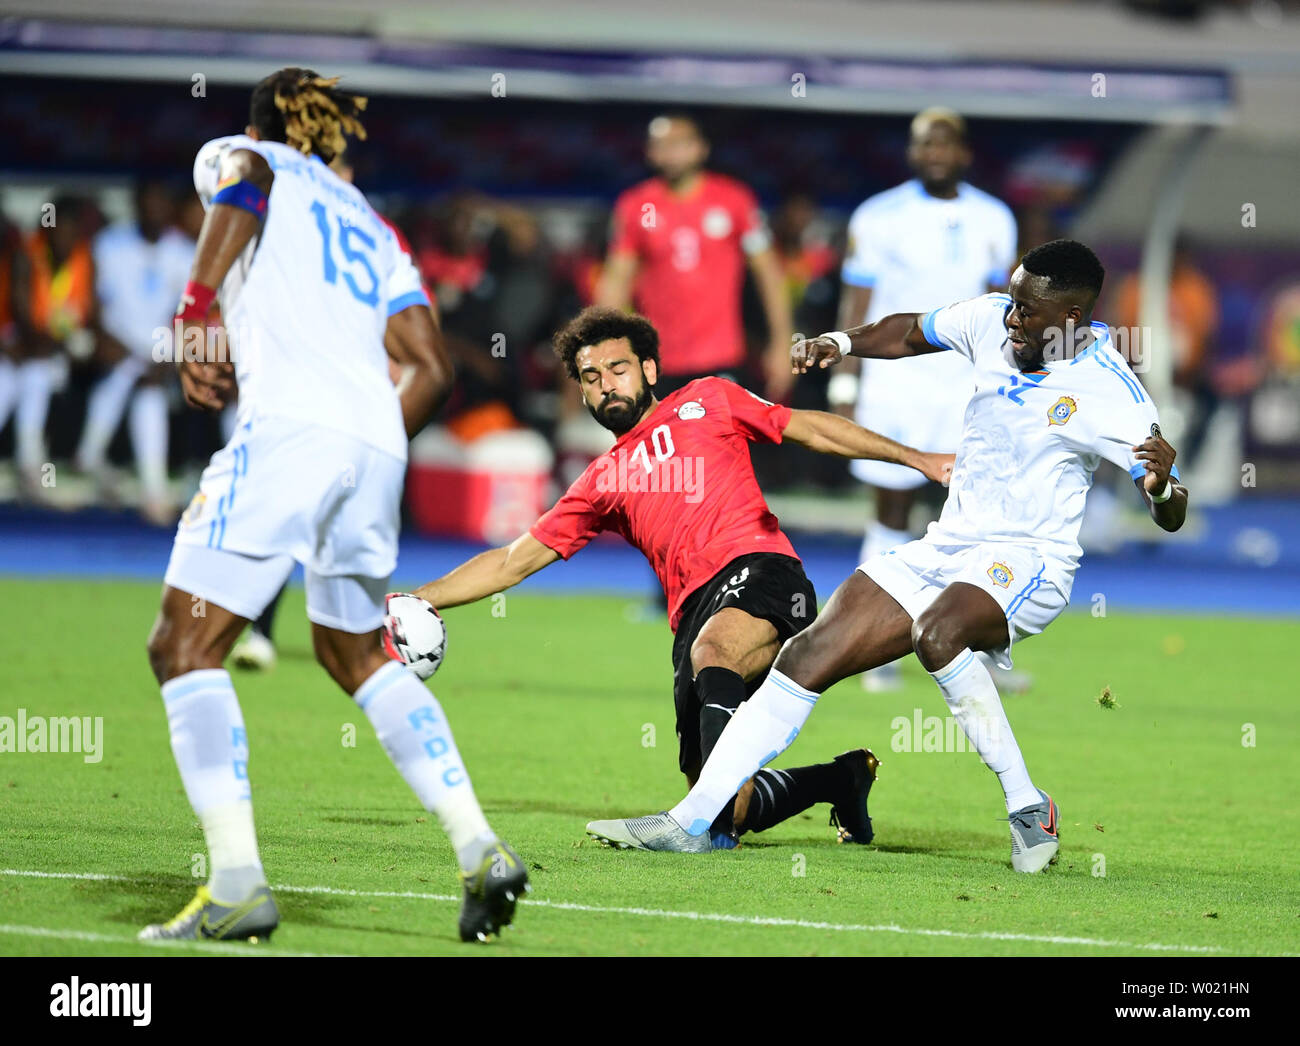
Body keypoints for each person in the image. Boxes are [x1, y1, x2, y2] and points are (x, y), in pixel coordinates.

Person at [587, 240, 1189, 874]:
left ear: (1073, 319)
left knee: (939, 633)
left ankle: (1027, 806)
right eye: (1013, 302)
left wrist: (1162, 489)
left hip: (1031, 560)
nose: (1012, 319)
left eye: (1028, 312)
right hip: (950, 543)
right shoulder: (993, 319)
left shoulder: (1112, 392)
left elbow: (1168, 509)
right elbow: (910, 332)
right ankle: (693, 821)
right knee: (808, 654)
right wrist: (841, 344)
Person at [141, 67, 525, 945]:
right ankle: (480, 848)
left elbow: (244, 183)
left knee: (183, 644)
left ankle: (237, 883)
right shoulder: (374, 223)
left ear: (265, 121)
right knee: (355, 651)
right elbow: (435, 368)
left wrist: (196, 315)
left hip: (289, 430)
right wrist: (359, 450)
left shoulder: (244, 157)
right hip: (374, 443)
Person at [403, 305, 953, 848]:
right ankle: (839, 779)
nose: (605, 386)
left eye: (618, 369)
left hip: (762, 572)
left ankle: (691, 826)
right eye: (591, 379)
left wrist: (918, 458)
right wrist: (416, 598)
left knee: (716, 655)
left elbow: (809, 429)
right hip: (690, 617)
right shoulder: (599, 482)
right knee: (730, 806)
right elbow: (511, 560)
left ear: (648, 369)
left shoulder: (707, 399)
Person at [835, 108, 1019, 692]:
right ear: (912, 152)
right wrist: (844, 381)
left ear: (964, 151)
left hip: (965, 385)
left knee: (971, 515)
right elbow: (855, 304)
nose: (934, 152)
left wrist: (1009, 380)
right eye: (923, 143)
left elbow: (1001, 307)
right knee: (892, 508)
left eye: (945, 143)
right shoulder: (878, 215)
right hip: (896, 383)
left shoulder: (995, 216)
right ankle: (871, 647)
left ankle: (973, 647)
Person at [596, 113, 794, 403]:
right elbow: (615, 280)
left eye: (679, 144)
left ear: (701, 148)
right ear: (650, 152)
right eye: (660, 145)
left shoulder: (734, 200)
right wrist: (604, 348)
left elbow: (769, 274)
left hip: (721, 357)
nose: (670, 153)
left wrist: (782, 343)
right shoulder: (636, 205)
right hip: (657, 360)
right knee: (665, 447)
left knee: (723, 444)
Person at [76, 180, 194, 524]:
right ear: (136, 205)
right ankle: (152, 492)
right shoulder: (110, 244)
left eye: (160, 204)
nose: (153, 212)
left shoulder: (184, 251)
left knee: (147, 384)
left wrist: (170, 358)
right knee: (132, 372)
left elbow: (187, 314)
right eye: (147, 203)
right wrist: (103, 338)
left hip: (162, 352)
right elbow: (93, 304)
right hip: (115, 344)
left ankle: (90, 456)